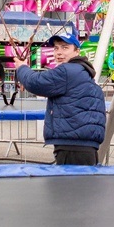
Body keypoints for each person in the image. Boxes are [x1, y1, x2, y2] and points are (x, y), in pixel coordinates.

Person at [15, 29, 106, 165]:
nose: (59, 52)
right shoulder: (82, 72)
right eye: (56, 48)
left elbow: (35, 83)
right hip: (83, 144)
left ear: (77, 51)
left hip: (72, 146)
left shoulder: (67, 71)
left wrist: (22, 68)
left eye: (65, 48)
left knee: (70, 179)